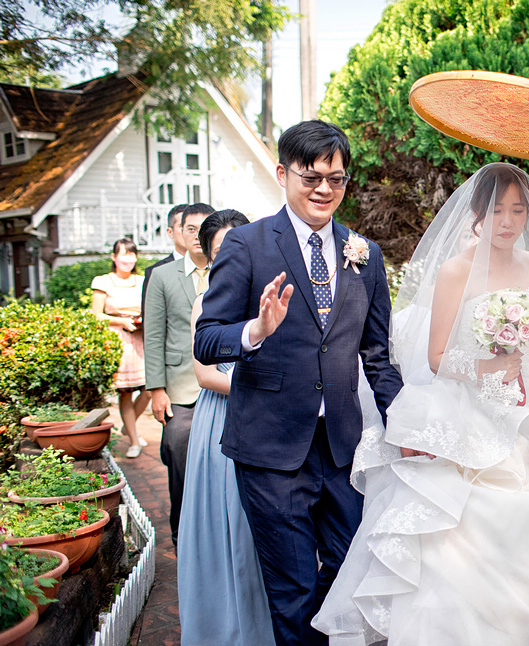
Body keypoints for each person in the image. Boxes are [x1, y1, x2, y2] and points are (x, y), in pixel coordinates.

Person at [311, 163, 529, 645]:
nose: (508, 221)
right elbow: (438, 355)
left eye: (518, 211)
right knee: (466, 515)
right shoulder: (456, 271)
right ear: (476, 214)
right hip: (469, 406)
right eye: (497, 210)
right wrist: (489, 368)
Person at [194, 120, 404, 646]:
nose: (324, 189)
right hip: (269, 449)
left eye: (337, 179)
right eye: (312, 177)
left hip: (341, 450)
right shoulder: (246, 244)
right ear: (284, 174)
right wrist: (256, 331)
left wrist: (406, 424)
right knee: (292, 589)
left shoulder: (365, 253)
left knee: (348, 575)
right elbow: (206, 340)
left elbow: (376, 354)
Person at [177, 209, 275, 645]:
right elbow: (204, 374)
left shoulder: (270, 294)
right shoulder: (205, 302)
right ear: (210, 256)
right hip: (223, 418)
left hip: (271, 421)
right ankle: (229, 629)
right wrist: (260, 388)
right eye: (222, 251)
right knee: (228, 523)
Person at [143, 202, 215, 543]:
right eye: (191, 229)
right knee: (178, 445)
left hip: (225, 382)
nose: (198, 236)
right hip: (181, 387)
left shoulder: (230, 269)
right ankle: (183, 532)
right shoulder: (161, 276)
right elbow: (153, 335)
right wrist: (157, 389)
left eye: (205, 228)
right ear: (179, 232)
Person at [91, 238, 149, 458]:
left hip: (141, 338)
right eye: (123, 254)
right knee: (125, 392)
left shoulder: (143, 280)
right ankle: (134, 441)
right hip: (119, 341)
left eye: (132, 254)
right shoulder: (103, 281)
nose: (128, 259)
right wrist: (121, 322)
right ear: (114, 257)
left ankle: (129, 424)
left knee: (149, 390)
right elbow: (96, 314)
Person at [142, 203, 188, 316]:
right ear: (170, 232)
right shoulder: (155, 272)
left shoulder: (213, 266)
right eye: (183, 226)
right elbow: (151, 321)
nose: (189, 232)